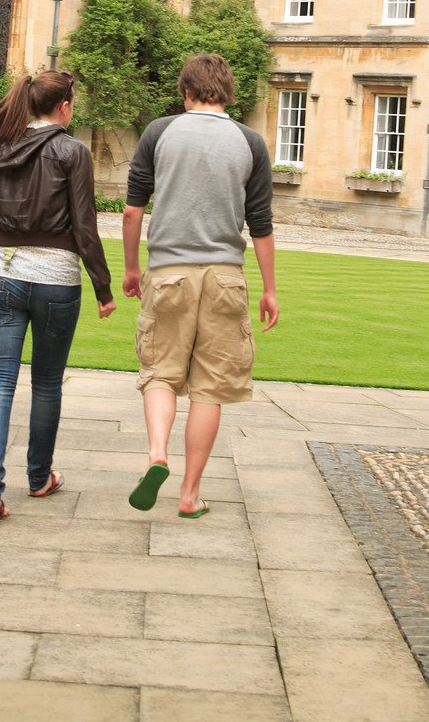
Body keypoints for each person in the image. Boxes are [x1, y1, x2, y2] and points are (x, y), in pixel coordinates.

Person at [122, 53, 279, 518]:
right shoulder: (250, 142)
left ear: (185, 90)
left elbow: (133, 211)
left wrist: (132, 268)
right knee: (210, 388)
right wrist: (270, 289)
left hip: (169, 270)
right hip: (225, 276)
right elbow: (262, 225)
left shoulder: (159, 132)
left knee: (159, 372)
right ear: (227, 91)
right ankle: (189, 495)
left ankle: (156, 454)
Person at [0, 70, 115, 525]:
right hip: (55, 279)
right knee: (47, 383)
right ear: (65, 107)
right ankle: (38, 477)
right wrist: (103, 288)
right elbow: (84, 225)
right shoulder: (73, 150)